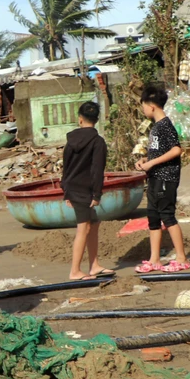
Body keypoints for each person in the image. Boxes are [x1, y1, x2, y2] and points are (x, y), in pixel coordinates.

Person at [135, 86, 190, 273]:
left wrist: (152, 163)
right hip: (154, 177)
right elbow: (160, 151)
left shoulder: (165, 125)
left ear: (151, 106)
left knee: (167, 216)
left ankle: (182, 258)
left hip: (166, 178)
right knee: (153, 217)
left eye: (143, 106)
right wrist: (146, 161)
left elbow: (176, 150)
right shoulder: (155, 127)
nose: (142, 110)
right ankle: (154, 259)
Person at [60, 102, 113, 280]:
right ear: (97, 120)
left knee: (94, 224)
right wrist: (97, 194)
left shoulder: (70, 141)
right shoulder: (98, 142)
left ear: (80, 119)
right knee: (83, 228)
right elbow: (97, 170)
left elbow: (65, 167)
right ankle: (75, 271)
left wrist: (65, 190)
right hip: (85, 191)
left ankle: (94, 265)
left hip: (73, 188)